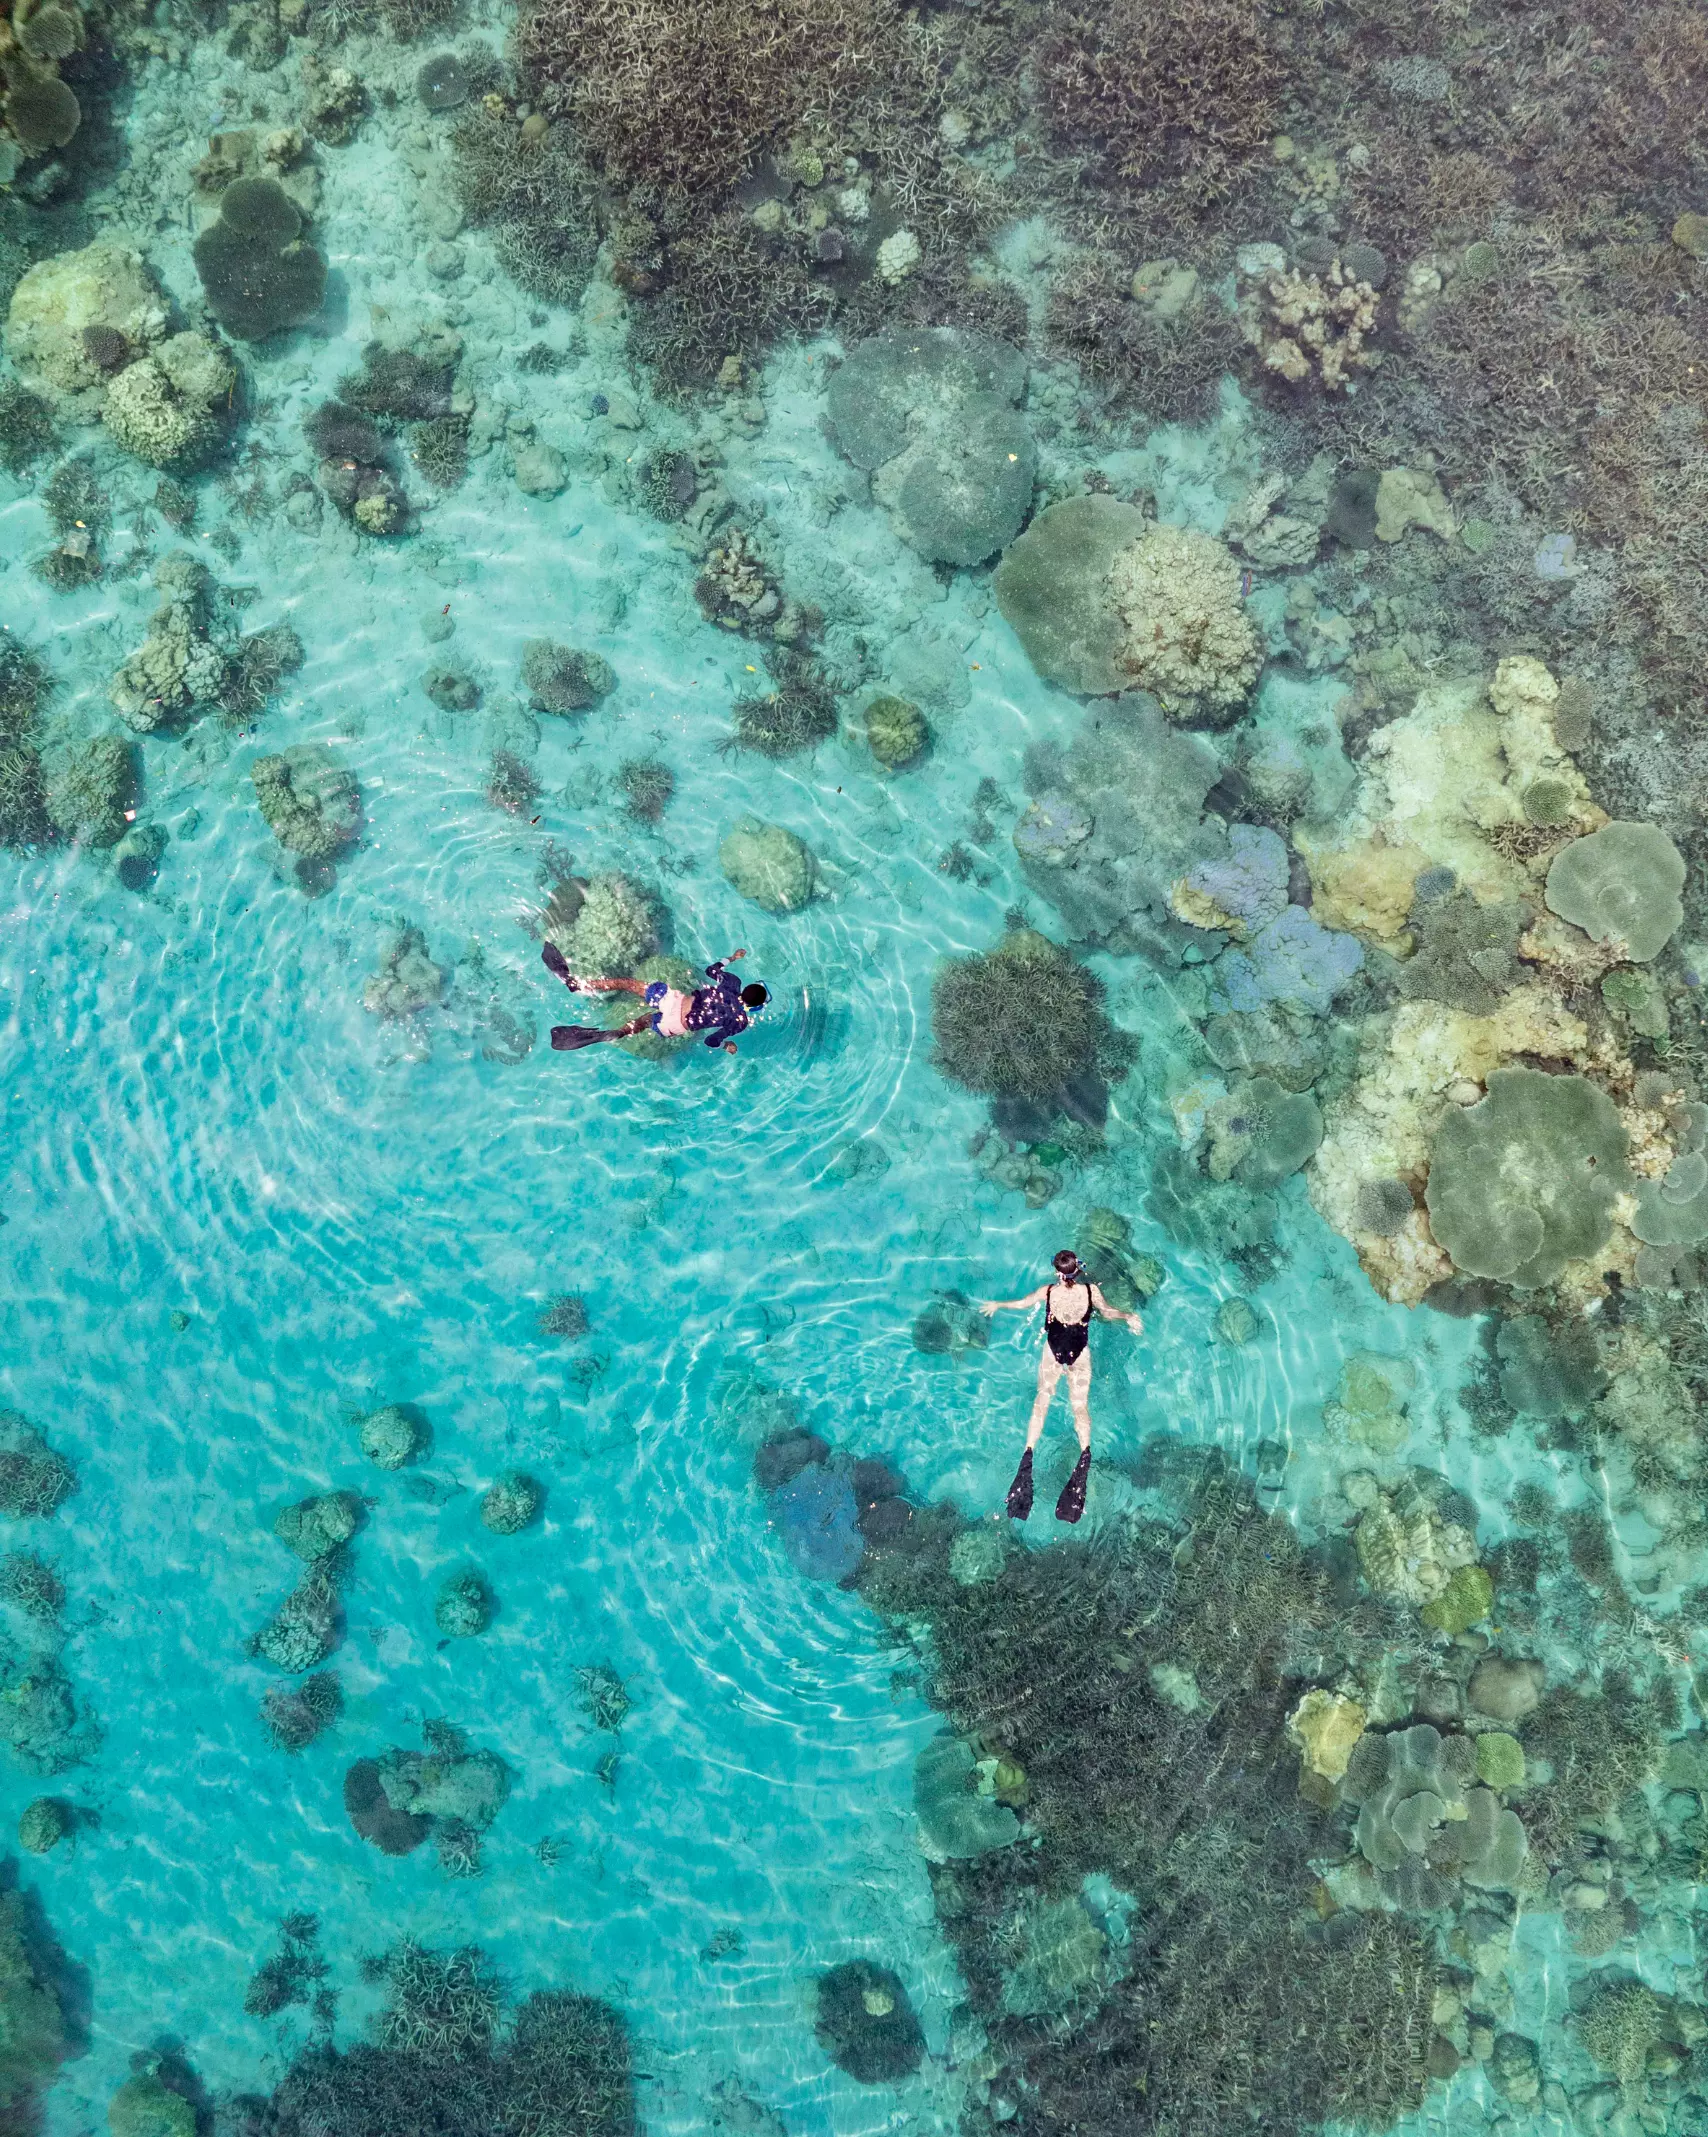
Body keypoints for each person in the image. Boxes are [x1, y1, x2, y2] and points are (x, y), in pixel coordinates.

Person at [978, 1250, 1143, 1524]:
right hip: (1079, 1352)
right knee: (1079, 1406)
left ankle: (1028, 1451)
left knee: (1042, 1399)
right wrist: (1128, 1316)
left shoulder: (1049, 1291)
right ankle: (1085, 1453)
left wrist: (997, 1304)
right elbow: (1108, 1312)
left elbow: (1022, 1303)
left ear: (1058, 1272)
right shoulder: (1090, 1292)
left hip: (1053, 1350)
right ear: (1077, 1269)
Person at [541, 942, 769, 1054]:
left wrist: (732, 958)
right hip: (677, 1024)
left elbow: (712, 970)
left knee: (627, 984)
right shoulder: (740, 1022)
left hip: (676, 1001)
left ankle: (577, 984)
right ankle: (616, 1033)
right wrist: (727, 1044)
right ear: (756, 1006)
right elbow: (711, 1041)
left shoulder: (732, 983)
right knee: (646, 1021)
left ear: (747, 988)